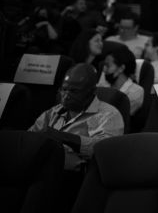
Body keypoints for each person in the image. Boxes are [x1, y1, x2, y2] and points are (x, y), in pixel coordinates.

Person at [29, 63, 124, 211]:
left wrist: (62, 137)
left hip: (75, 181)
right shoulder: (52, 113)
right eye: (64, 89)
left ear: (91, 92)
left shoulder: (108, 115)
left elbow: (105, 152)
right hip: (40, 174)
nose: (66, 96)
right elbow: (29, 139)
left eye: (74, 91)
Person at [98, 44, 144, 115]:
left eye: (108, 65)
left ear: (121, 68)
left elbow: (116, 115)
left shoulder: (136, 92)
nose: (104, 69)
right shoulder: (103, 83)